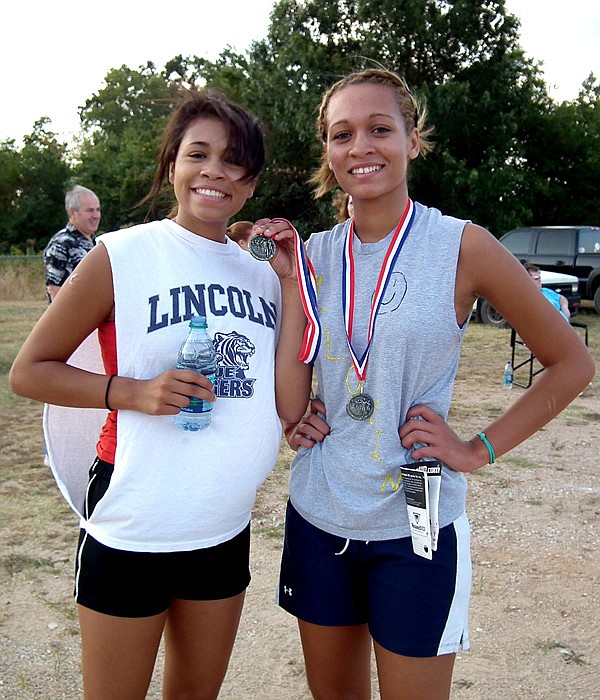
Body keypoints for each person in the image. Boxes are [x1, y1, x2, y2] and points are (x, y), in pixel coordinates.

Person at [255, 68, 595, 700]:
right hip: (319, 511)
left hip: (419, 523)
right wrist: (291, 416)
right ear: (328, 154)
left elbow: (572, 361)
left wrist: (477, 449)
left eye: (380, 129)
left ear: (413, 140)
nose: (362, 147)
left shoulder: (462, 245)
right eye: (342, 134)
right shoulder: (311, 257)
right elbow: (292, 390)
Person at [10, 89, 288, 700]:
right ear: (173, 165)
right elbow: (30, 371)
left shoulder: (263, 274)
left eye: (234, 160)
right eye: (199, 153)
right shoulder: (122, 254)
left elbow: (283, 382)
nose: (215, 170)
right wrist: (131, 392)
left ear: (250, 182)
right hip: (132, 520)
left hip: (222, 523)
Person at [43, 185, 101, 302]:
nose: (96, 215)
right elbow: (55, 291)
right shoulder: (61, 244)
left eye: (98, 209)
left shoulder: (98, 243)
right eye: (89, 210)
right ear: (73, 212)